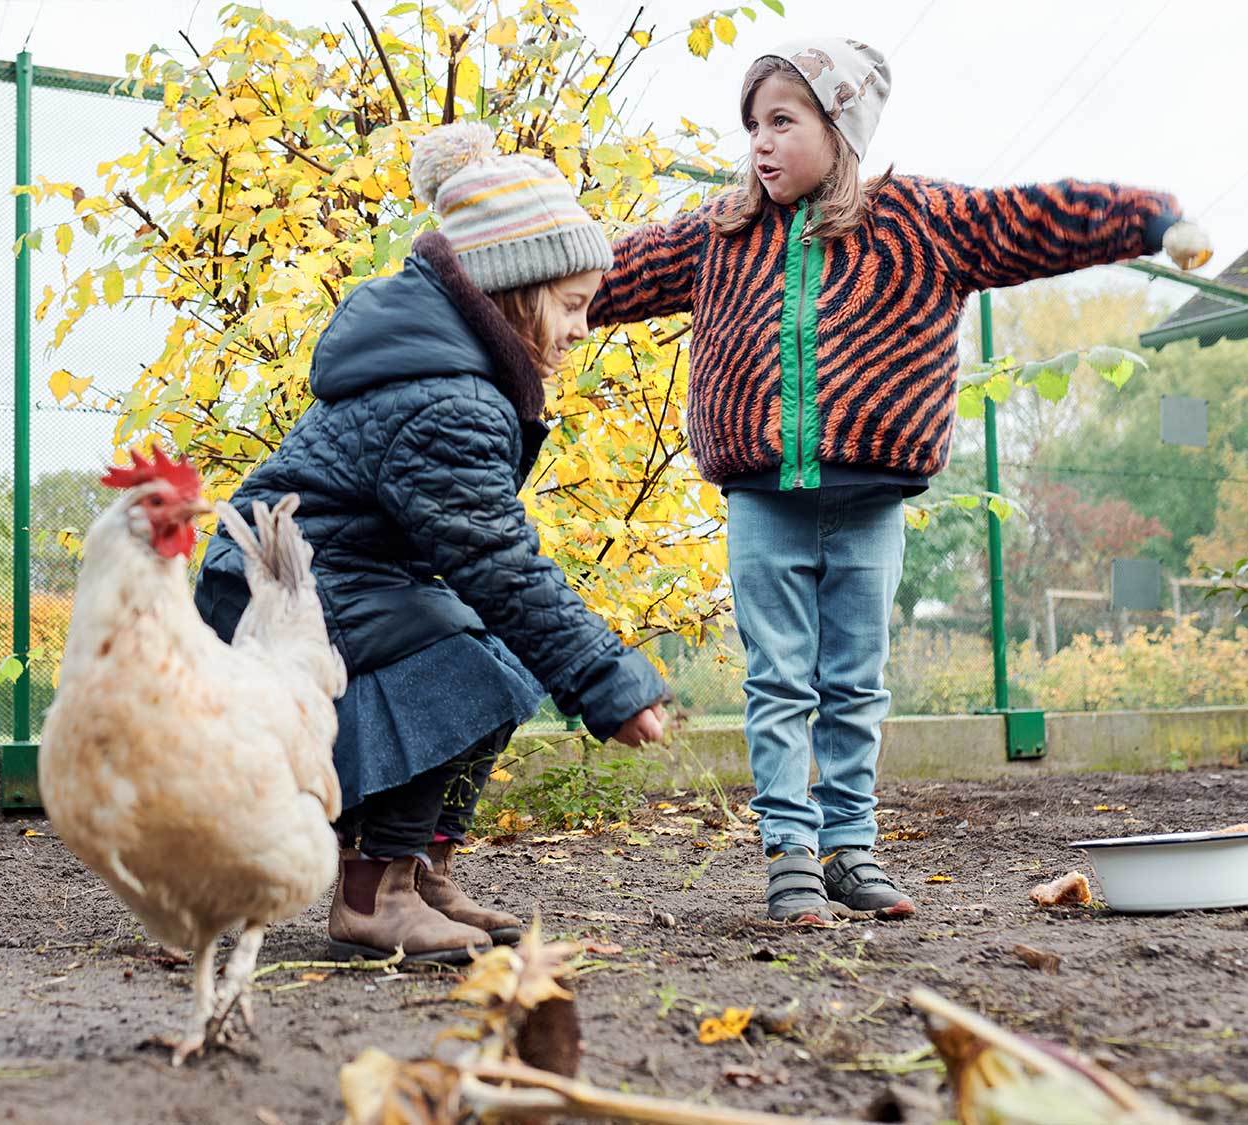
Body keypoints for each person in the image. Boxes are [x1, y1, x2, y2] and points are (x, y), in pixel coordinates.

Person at [588, 37, 1195, 924]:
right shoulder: (718, 232)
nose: (760, 141)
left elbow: (1031, 219)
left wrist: (1150, 220)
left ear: (840, 129)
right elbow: (606, 270)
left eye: (783, 121)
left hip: (870, 498)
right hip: (763, 498)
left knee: (857, 680)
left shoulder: (919, 217)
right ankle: (790, 854)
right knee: (780, 680)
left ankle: (851, 850)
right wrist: (495, 271)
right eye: (752, 123)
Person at [195, 122, 667, 962]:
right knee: (472, 663)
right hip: (276, 586)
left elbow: (480, 559)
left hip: (324, 573)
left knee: (503, 658)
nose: (583, 328)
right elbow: (496, 563)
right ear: (515, 293)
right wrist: (604, 676)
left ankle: (421, 869)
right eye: (570, 304)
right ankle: (376, 895)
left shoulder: (453, 371)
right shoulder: (444, 396)